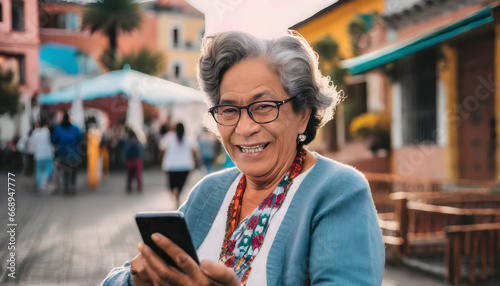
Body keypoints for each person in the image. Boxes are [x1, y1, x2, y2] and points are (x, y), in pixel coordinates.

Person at [102, 31, 384, 286]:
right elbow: (116, 279)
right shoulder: (209, 191)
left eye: (263, 106)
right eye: (228, 109)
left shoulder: (338, 192)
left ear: (303, 114)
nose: (245, 128)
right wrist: (136, 280)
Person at [159, 123, 198, 206]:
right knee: (180, 185)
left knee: (171, 186)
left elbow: (162, 150)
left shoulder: (168, 137)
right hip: (186, 165)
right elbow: (194, 151)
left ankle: (176, 196)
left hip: (171, 165)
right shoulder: (189, 137)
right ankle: (178, 196)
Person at [51, 111, 83, 195]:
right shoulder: (75, 128)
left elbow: (54, 140)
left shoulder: (58, 128)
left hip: (62, 153)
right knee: (73, 170)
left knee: (65, 171)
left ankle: (66, 187)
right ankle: (72, 185)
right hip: (74, 153)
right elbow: (80, 139)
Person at [28, 119, 54, 192]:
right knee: (48, 169)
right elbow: (52, 141)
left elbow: (31, 144)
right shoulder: (47, 132)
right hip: (48, 154)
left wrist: (32, 152)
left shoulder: (34, 133)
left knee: (39, 170)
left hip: (38, 154)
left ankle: (40, 184)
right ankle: (44, 182)